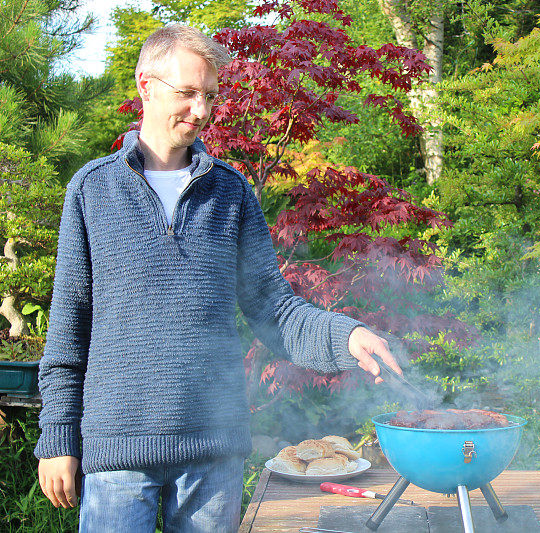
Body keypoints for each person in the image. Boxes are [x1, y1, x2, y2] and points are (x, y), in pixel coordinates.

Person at [34, 24, 400, 532]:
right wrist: (57, 439)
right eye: (186, 94)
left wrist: (347, 335)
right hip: (117, 450)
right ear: (145, 85)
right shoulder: (93, 190)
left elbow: (275, 308)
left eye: (208, 96)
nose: (201, 111)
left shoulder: (231, 194)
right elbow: (67, 328)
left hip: (213, 454)